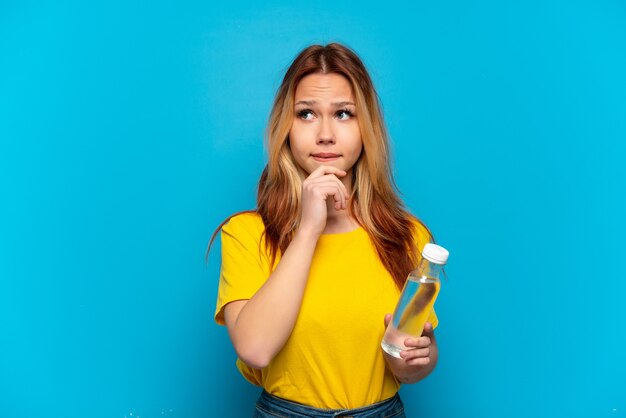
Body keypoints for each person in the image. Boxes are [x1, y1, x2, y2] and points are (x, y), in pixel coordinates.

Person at [209, 43, 439, 418]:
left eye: (344, 114)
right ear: (286, 126)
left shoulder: (408, 236)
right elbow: (255, 348)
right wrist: (307, 231)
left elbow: (409, 365)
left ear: (367, 128)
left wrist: (418, 360)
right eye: (307, 114)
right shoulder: (246, 233)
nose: (326, 134)